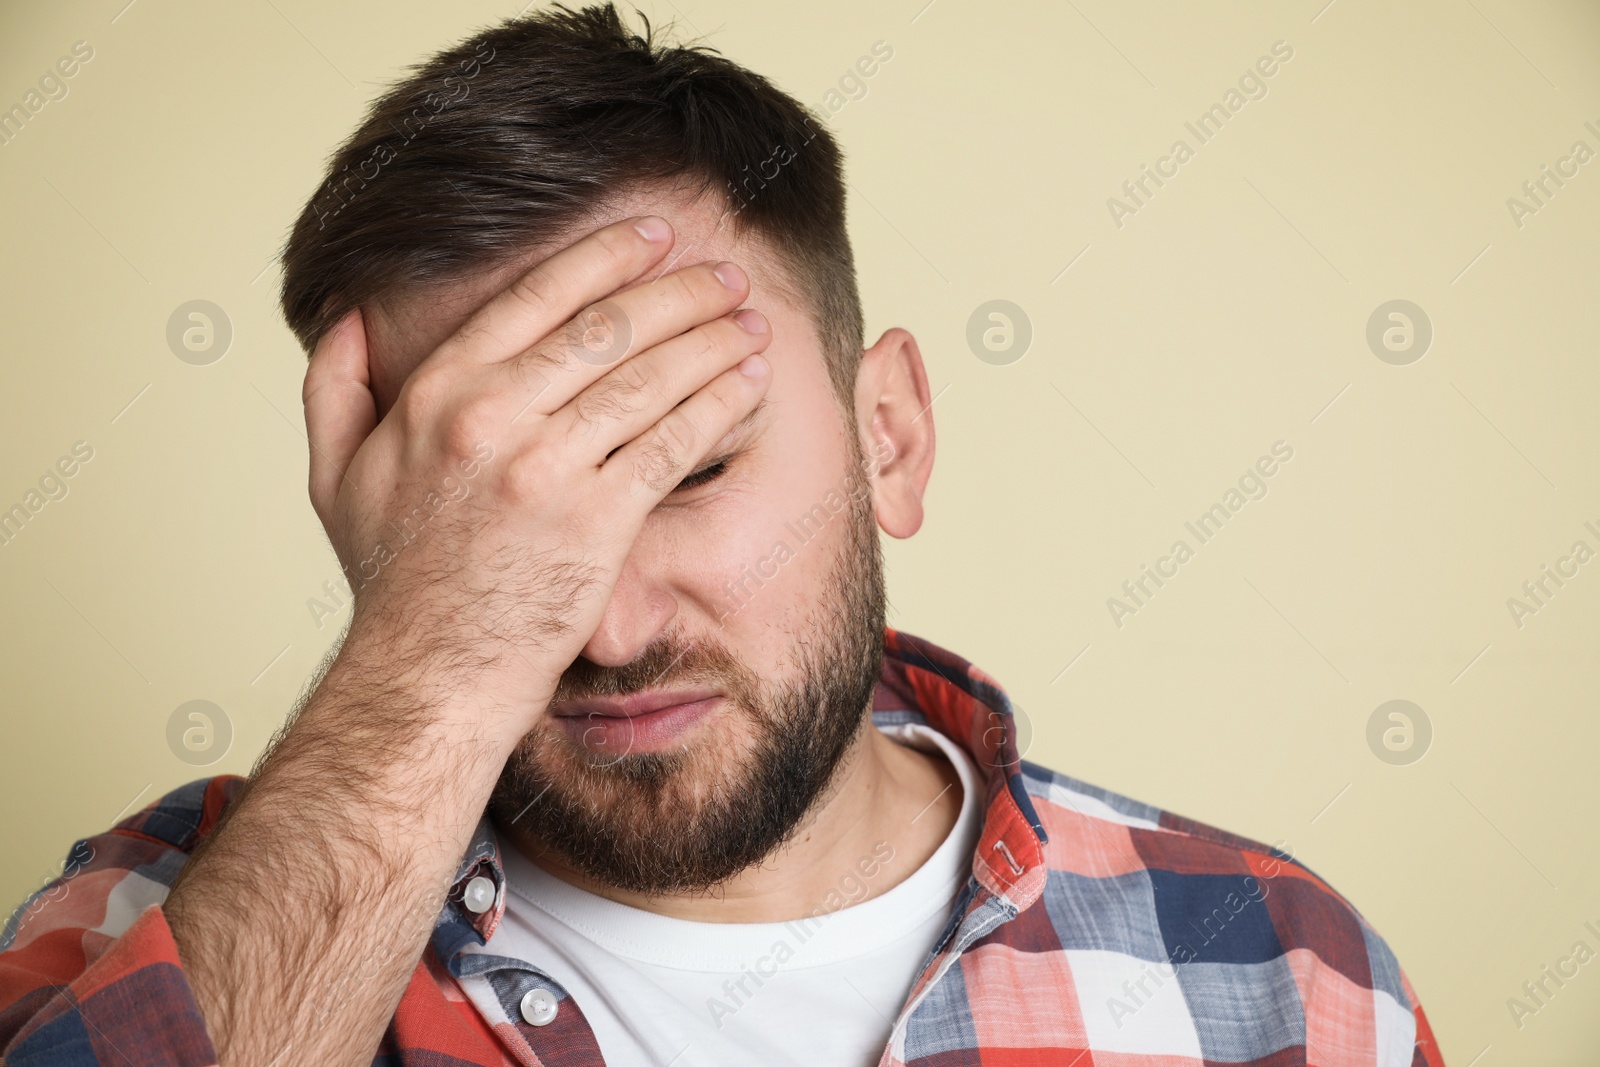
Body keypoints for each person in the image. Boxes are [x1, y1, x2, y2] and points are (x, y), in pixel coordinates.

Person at [0, 5, 1443, 1065]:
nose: (610, 630)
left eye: (686, 466)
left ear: (889, 435)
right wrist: (434, 660)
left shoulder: (1276, 974)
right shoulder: (141, 930)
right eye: (493, 511)